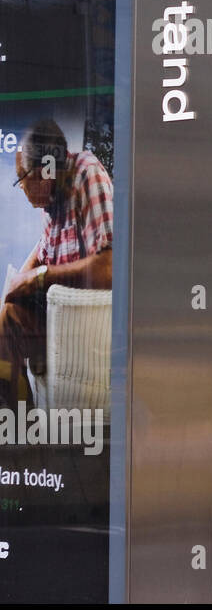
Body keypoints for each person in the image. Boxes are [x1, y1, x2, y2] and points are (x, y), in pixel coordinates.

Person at [0, 119, 112, 405]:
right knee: (6, 317)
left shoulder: (88, 174)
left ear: (43, 172)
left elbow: (110, 266)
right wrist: (18, 282)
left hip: (86, 328)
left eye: (20, 178)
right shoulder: (53, 201)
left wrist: (39, 277)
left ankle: (16, 429)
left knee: (7, 322)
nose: (21, 188)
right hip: (59, 318)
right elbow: (44, 247)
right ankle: (17, 425)